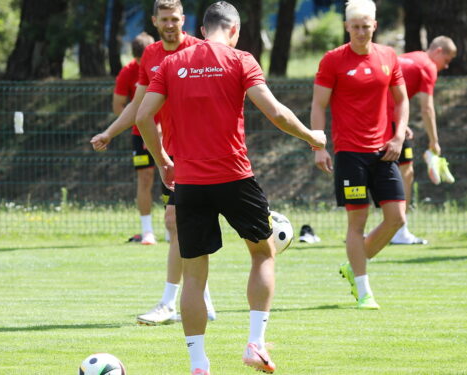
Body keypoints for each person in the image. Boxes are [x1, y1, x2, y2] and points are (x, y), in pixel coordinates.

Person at [136, 3, 326, 373]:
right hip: (235, 178)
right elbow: (276, 113)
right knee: (263, 253)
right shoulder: (241, 60)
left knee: (194, 275)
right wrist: (311, 137)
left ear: (203, 30)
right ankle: (255, 344)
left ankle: (198, 364)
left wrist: (163, 160)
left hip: (188, 182)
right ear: (234, 29)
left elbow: (144, 116)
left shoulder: (173, 64)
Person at [91, 0, 215, 326]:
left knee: (178, 222)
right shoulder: (151, 56)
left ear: (184, 20)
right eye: (165, 19)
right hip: (172, 154)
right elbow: (138, 104)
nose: (171, 24)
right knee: (181, 225)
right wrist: (111, 131)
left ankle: (170, 303)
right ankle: (199, 295)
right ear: (155, 22)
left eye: (175, 19)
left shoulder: (202, 50)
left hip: (201, 153)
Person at [311, 0, 409, 310]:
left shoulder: (388, 56)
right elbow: (318, 105)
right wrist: (319, 146)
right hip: (349, 153)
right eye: (355, 27)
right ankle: (365, 291)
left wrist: (397, 135)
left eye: (366, 26)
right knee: (357, 222)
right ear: (346, 28)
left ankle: (353, 265)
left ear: (375, 26)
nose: (361, 32)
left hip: (385, 151)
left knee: (396, 218)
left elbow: (402, 101)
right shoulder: (333, 60)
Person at [388, 36, 457, 245]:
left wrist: (398, 121)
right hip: (384, 116)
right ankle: (398, 229)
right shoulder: (427, 66)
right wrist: (434, 141)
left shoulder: (413, 57)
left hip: (378, 114)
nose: (445, 66)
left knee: (390, 170)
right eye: (446, 60)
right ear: (437, 51)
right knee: (405, 173)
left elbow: (387, 90)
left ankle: (382, 227)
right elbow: (427, 108)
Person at [113, 32, 159, 246]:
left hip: (172, 133)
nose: (145, 64)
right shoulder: (127, 73)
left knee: (178, 179)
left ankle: (174, 229)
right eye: (141, 60)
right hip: (140, 135)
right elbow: (118, 106)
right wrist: (142, 126)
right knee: (145, 179)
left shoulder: (165, 65)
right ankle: (147, 231)